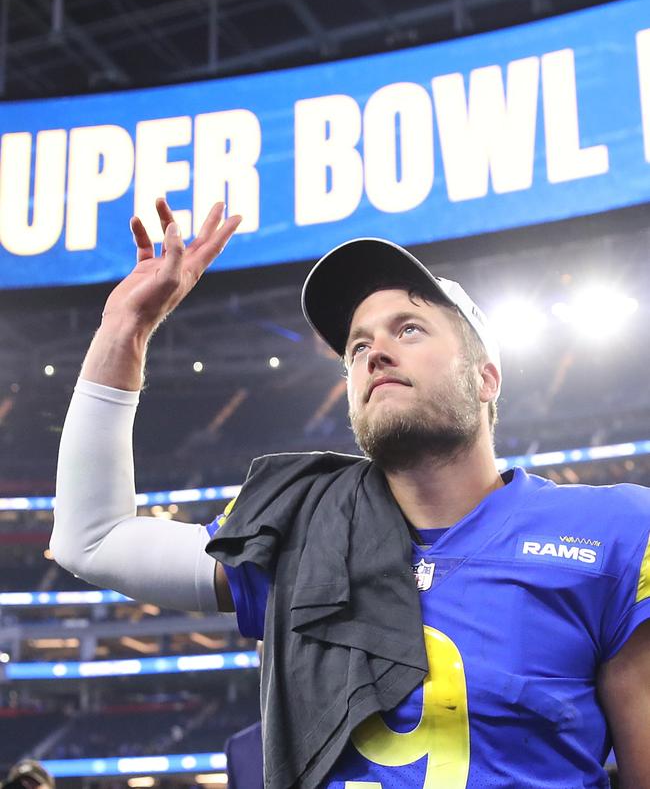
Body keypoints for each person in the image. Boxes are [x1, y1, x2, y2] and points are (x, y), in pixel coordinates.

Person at [51, 199, 650, 789]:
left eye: (409, 328)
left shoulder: (616, 532)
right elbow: (92, 541)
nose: (375, 353)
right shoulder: (297, 527)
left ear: (486, 377)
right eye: (357, 347)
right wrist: (123, 329)